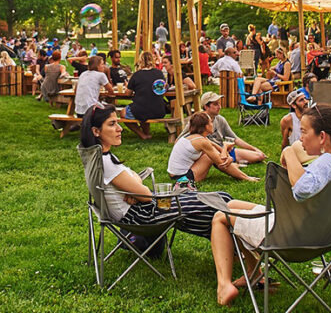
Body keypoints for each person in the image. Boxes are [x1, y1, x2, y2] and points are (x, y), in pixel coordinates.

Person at [210, 103, 331, 306]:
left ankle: (224, 286)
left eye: (303, 132)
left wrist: (289, 152)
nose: (300, 138)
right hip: (328, 233)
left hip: (291, 237)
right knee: (232, 204)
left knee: (220, 217)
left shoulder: (328, 162)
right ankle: (254, 273)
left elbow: (302, 189)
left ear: (322, 136)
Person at [81, 105, 237, 241]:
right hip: (142, 216)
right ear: (96, 131)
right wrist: (136, 190)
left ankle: (228, 244)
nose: (120, 128)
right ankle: (236, 245)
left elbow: (135, 181)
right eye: (112, 124)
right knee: (219, 200)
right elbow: (145, 194)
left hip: (142, 209)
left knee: (208, 205)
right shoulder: (106, 162)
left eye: (118, 123)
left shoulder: (101, 157)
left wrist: (133, 188)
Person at [167, 111, 259, 183]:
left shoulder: (195, 136)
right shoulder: (201, 141)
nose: (213, 124)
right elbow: (221, 162)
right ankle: (245, 178)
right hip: (182, 178)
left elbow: (219, 149)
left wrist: (226, 153)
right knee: (209, 157)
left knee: (211, 154)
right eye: (211, 122)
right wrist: (226, 148)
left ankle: (242, 176)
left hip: (175, 175)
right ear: (205, 126)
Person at [200, 91, 268, 164]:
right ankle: (233, 163)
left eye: (219, 103)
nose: (220, 107)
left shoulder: (220, 119)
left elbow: (235, 139)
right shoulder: (197, 120)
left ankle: (235, 161)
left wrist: (254, 149)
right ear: (206, 107)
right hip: (209, 153)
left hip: (224, 150)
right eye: (215, 104)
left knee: (260, 156)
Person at [124, 51, 167, 140]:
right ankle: (146, 133)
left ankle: (142, 134)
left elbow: (128, 93)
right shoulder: (159, 73)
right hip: (159, 110)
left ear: (140, 61)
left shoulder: (136, 75)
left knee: (123, 113)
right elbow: (161, 89)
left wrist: (127, 86)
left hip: (141, 110)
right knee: (145, 107)